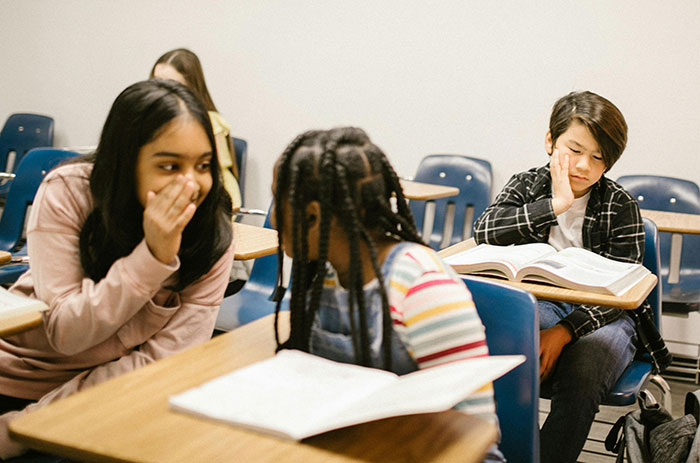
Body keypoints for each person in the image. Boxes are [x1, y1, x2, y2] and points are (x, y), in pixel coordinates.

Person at [0, 79, 234, 458]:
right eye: (170, 165)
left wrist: (23, 428)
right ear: (125, 162)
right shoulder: (69, 191)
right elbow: (66, 333)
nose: (191, 185)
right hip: (16, 375)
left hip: (107, 396)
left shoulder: (213, 236)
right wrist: (151, 258)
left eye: (203, 165)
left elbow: (158, 365)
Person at [270, 127, 505, 462]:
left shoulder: (423, 289)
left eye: (276, 201)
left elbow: (477, 440)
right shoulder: (321, 273)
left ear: (313, 216)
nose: (273, 218)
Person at [473, 91, 672, 463]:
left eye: (599, 157)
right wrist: (555, 205)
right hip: (542, 302)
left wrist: (564, 333)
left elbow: (623, 291)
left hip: (605, 315)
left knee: (585, 370)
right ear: (550, 141)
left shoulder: (619, 203)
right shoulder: (528, 185)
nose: (584, 165)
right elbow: (485, 229)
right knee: (509, 341)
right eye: (574, 149)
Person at [151, 48, 242, 209]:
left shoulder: (210, 122)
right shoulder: (153, 120)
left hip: (216, 200)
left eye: (172, 85)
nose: (162, 92)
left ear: (190, 88)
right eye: (156, 82)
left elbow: (211, 176)